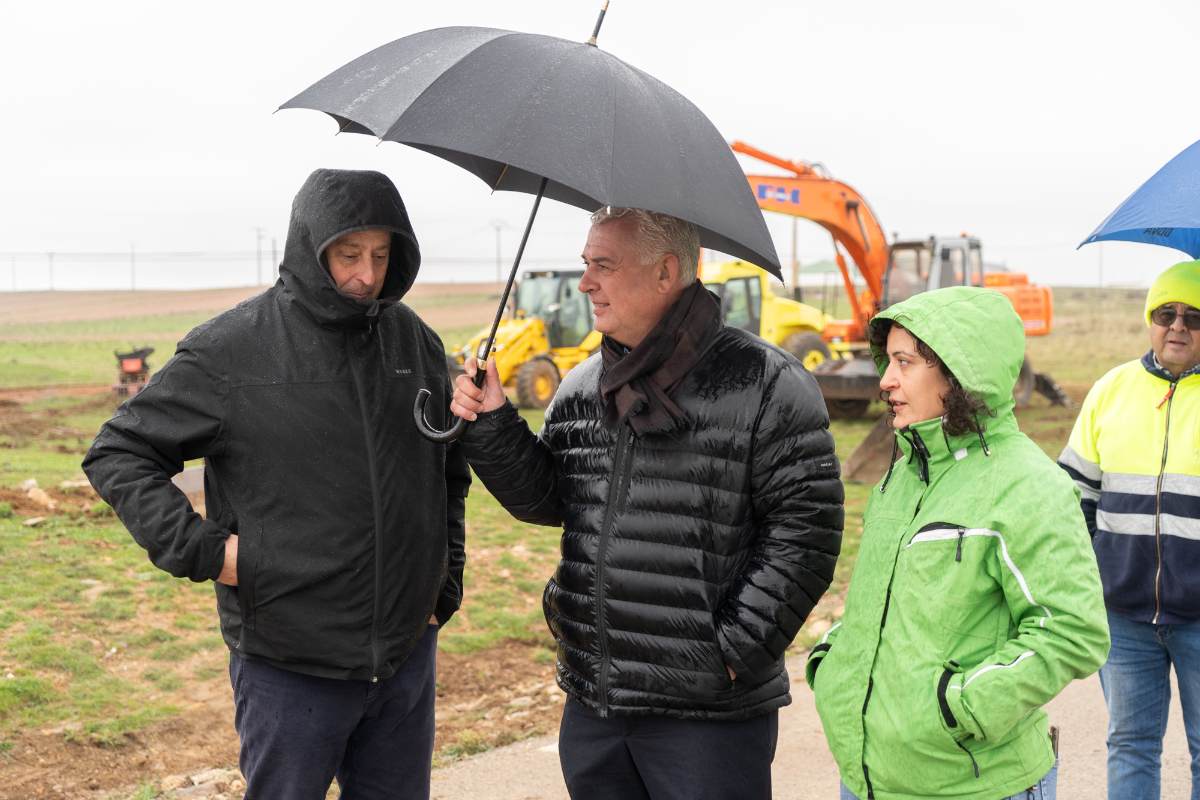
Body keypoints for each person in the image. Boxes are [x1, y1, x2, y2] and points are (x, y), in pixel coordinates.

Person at [83, 169, 470, 799]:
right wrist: (211, 553)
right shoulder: (231, 350)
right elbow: (119, 451)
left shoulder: (416, 342)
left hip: (405, 657)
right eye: (349, 255)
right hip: (291, 663)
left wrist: (443, 581)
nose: (366, 275)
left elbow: (448, 472)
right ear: (311, 248)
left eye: (381, 255)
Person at [451, 206, 844, 800]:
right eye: (586, 265)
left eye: (603, 266)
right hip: (597, 705)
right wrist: (493, 421)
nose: (586, 283)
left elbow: (806, 536)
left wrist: (729, 654)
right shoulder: (585, 385)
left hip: (706, 718)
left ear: (666, 273)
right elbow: (548, 499)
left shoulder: (767, 383)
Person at [810, 286, 1109, 800]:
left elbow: (1075, 630)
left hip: (975, 785)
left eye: (904, 362)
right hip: (866, 777)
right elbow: (883, 600)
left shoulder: (1027, 484)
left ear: (959, 372)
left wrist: (961, 706)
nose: (885, 380)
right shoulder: (904, 472)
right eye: (889, 361)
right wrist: (834, 658)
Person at [1058, 259, 1200, 800]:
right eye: (1166, 312)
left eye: (1194, 315)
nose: (1178, 326)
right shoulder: (1110, 390)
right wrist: (1092, 578)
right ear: (1150, 319)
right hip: (1123, 616)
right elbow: (1074, 498)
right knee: (1131, 744)